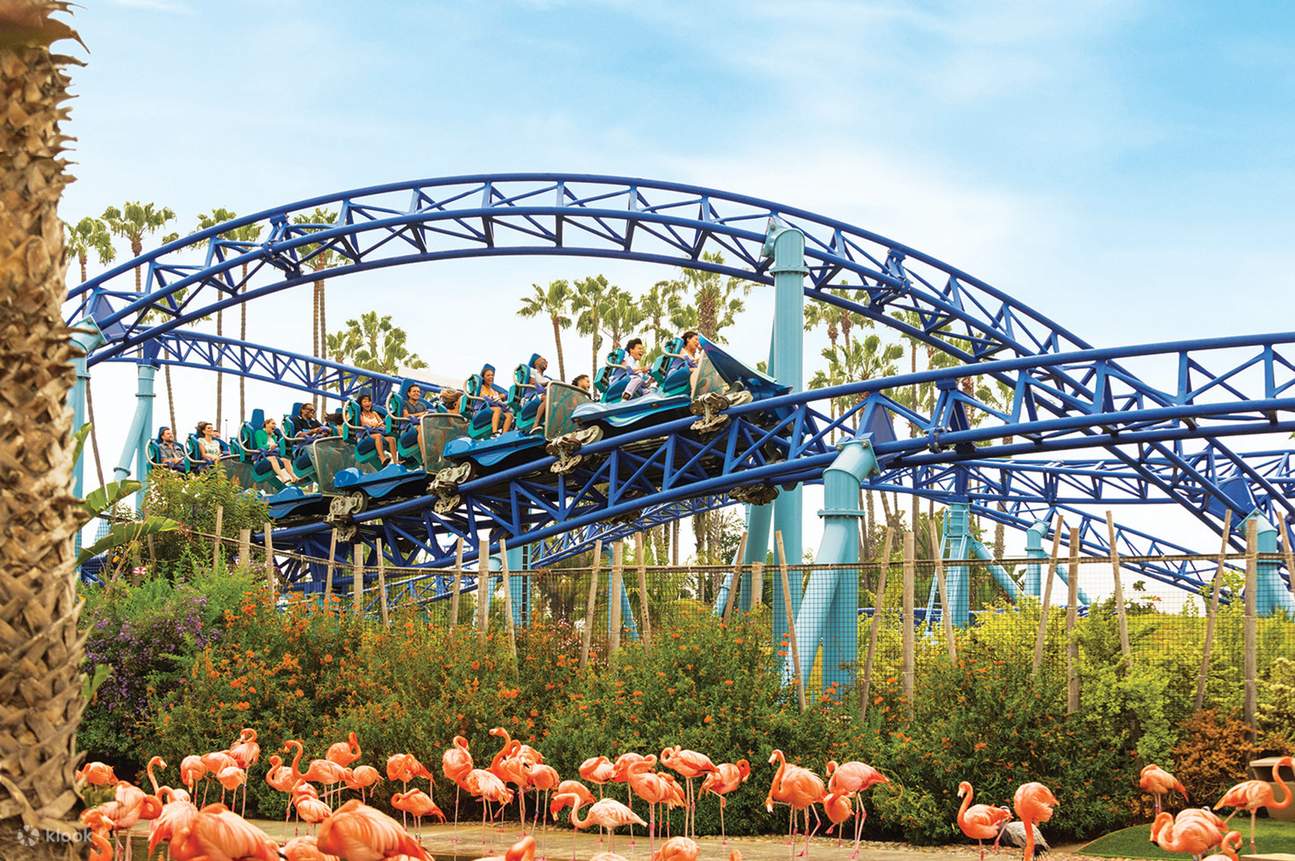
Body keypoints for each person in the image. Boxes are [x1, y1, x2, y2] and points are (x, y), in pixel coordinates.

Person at [357, 394, 397, 465]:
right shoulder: (361, 415)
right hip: (365, 436)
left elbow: (381, 423)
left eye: (369, 401)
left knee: (392, 439)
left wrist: (382, 426)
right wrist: (373, 425)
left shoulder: (374, 413)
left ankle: (396, 462)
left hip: (376, 433)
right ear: (361, 404)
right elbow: (364, 425)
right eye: (365, 402)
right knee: (378, 436)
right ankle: (382, 458)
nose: (367, 403)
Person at [256, 417, 298, 483]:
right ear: (266, 424)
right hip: (262, 457)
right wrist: (270, 446)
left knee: (286, 460)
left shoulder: (274, 436)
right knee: (273, 458)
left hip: (273, 455)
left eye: (275, 424)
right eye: (273, 423)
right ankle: (282, 478)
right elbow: (260, 446)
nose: (274, 426)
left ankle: (294, 477)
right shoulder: (259, 433)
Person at [478, 364, 514, 435]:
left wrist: (501, 402)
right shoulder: (481, 388)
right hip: (482, 409)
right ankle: (494, 432)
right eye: (488, 375)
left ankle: (504, 435)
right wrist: (495, 401)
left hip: (493, 408)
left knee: (510, 415)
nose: (491, 377)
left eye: (492, 375)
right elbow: (485, 399)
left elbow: (502, 398)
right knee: (497, 409)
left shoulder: (494, 391)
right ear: (483, 377)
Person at [527, 353, 553, 427]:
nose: (546, 361)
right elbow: (532, 383)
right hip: (531, 397)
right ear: (536, 362)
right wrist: (545, 385)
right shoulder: (532, 371)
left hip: (544, 395)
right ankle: (536, 423)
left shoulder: (547, 378)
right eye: (543, 360)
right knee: (548, 398)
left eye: (546, 361)